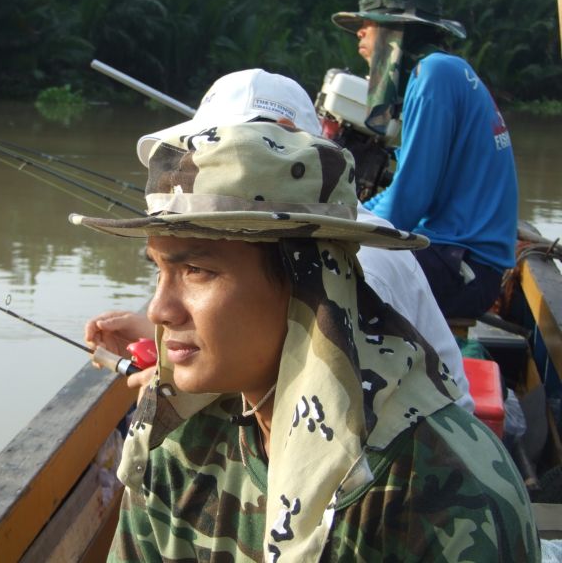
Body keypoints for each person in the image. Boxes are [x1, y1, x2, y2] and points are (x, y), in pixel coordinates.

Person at [71, 121, 538, 561]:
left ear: (308, 285)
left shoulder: (442, 485)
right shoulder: (180, 444)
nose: (157, 310)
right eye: (160, 269)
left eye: (197, 270)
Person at [87, 68, 474, 413]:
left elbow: (336, 406)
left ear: (287, 142)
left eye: (224, 153)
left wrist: (175, 389)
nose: (198, 171)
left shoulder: (353, 260)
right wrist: (167, 340)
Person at [332, 0, 518, 320]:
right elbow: (409, 194)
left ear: (397, 31)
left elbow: (407, 204)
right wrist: (348, 210)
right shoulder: (445, 72)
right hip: (456, 258)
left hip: (461, 267)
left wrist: (336, 219)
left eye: (370, 24)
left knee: (322, 273)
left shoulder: (433, 76)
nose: (360, 32)